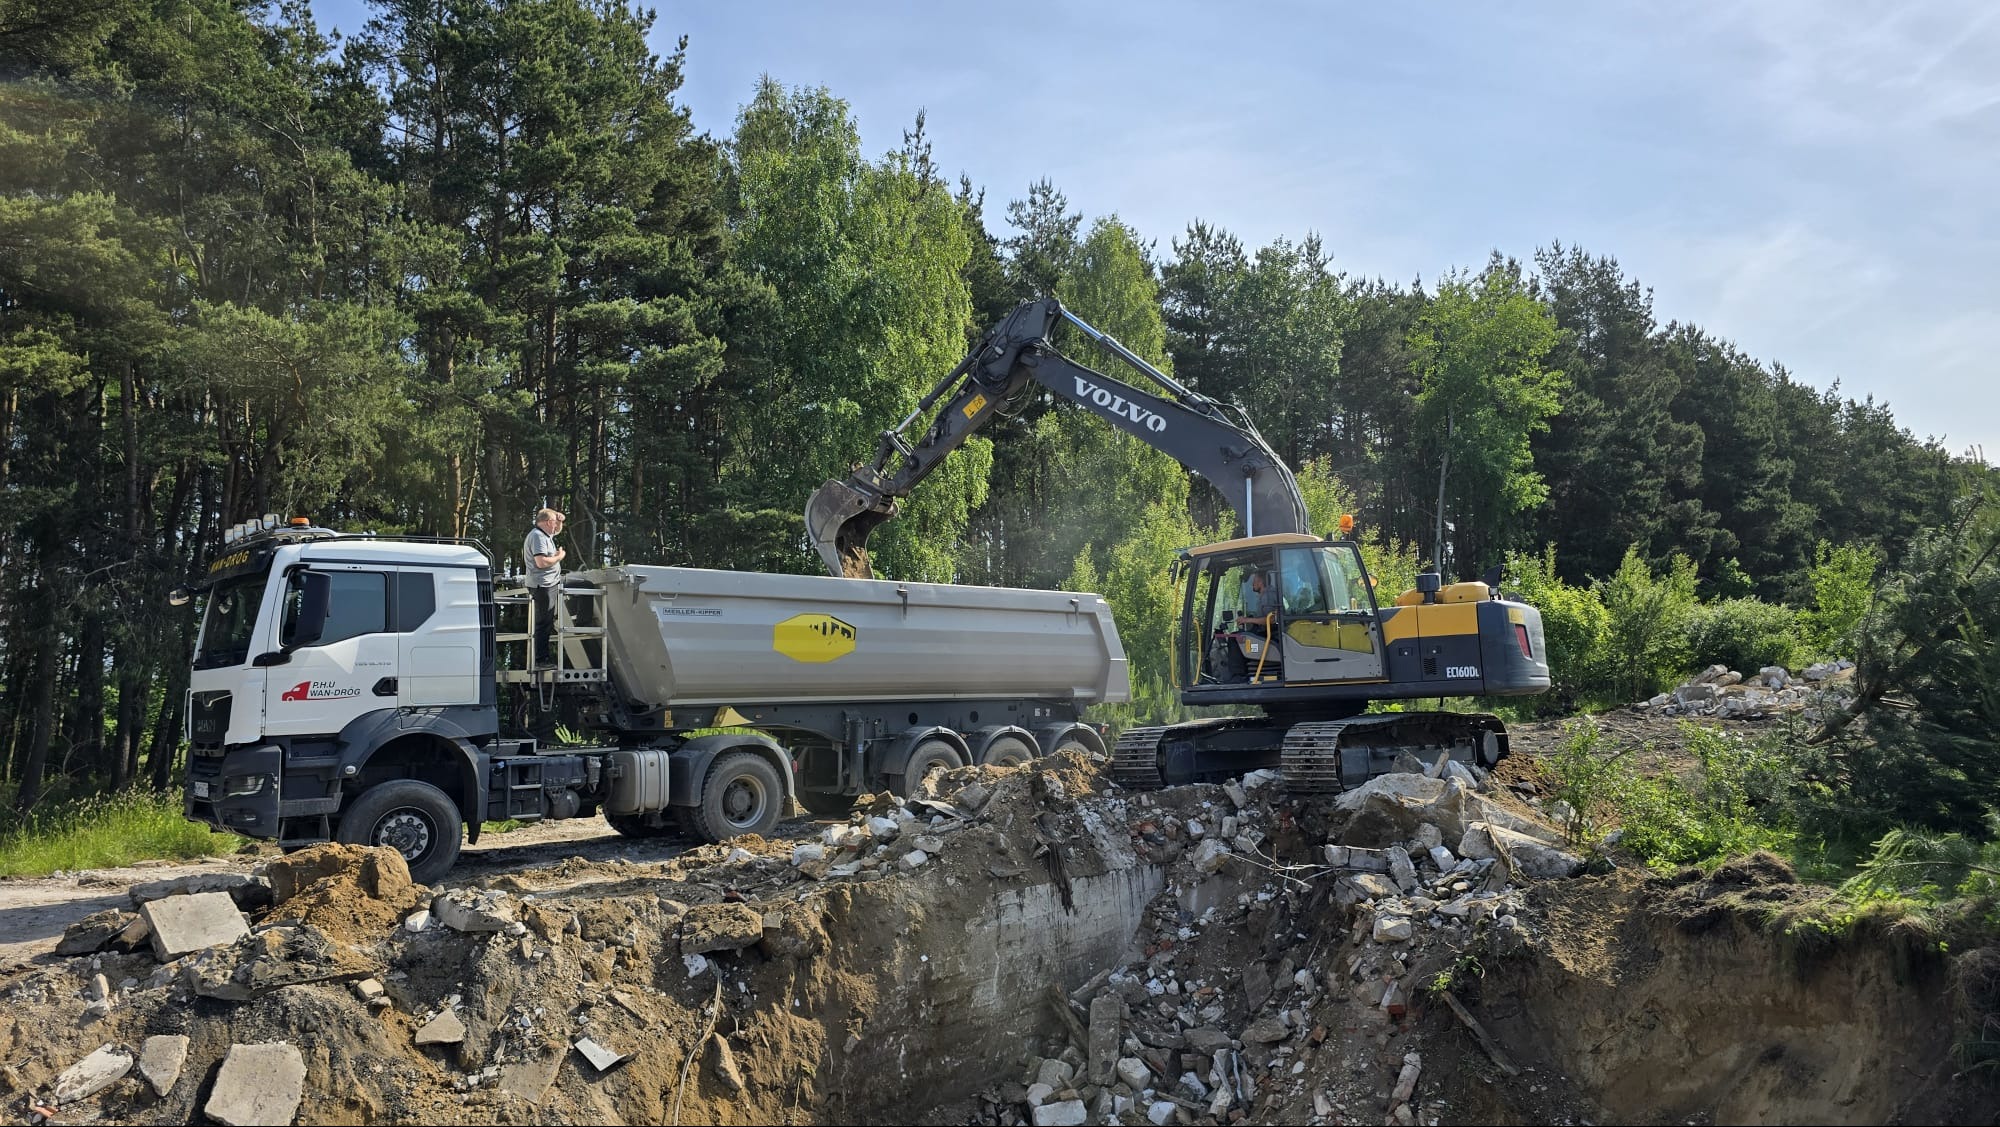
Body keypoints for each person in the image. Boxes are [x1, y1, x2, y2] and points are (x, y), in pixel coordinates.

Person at [522, 508, 566, 665]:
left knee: (584, 584)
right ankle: (541, 660)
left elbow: (557, 530)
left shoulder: (545, 535)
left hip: (551, 581)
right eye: (554, 522)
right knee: (544, 623)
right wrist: (559, 557)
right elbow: (541, 562)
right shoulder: (537, 536)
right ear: (548, 522)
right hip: (543, 584)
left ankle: (583, 621)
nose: (556, 526)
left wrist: (560, 519)